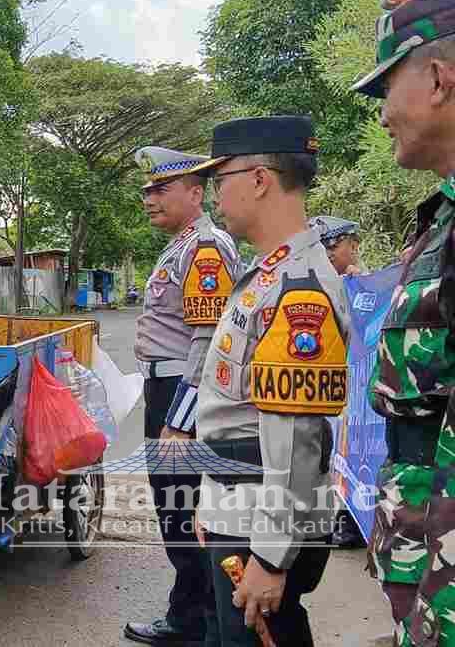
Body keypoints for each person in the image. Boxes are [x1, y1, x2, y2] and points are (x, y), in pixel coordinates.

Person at [188, 116, 350, 646]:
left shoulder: (298, 289)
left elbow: (298, 438)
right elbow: (235, 412)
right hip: (240, 508)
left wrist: (271, 556)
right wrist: (212, 500)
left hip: (262, 525)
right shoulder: (269, 274)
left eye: (220, 180)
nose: (216, 197)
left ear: (259, 179)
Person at [351, 0, 455, 646]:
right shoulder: (441, 217)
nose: (383, 114)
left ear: (439, 79)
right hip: (421, 548)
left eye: (387, 88)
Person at [124, 146, 242, 647]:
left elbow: (208, 340)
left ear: (195, 194)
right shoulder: (184, 244)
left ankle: (202, 625)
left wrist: (180, 419)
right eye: (146, 190)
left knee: (185, 510)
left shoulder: (205, 248)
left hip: (181, 392)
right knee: (176, 509)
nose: (149, 198)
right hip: (166, 388)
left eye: (161, 188)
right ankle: (192, 614)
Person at [309, 215, 369, 550]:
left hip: (355, 390)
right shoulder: (310, 283)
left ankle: (350, 523)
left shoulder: (366, 286)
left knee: (353, 455)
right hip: (322, 386)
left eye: (335, 244)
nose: (329, 252)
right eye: (323, 247)